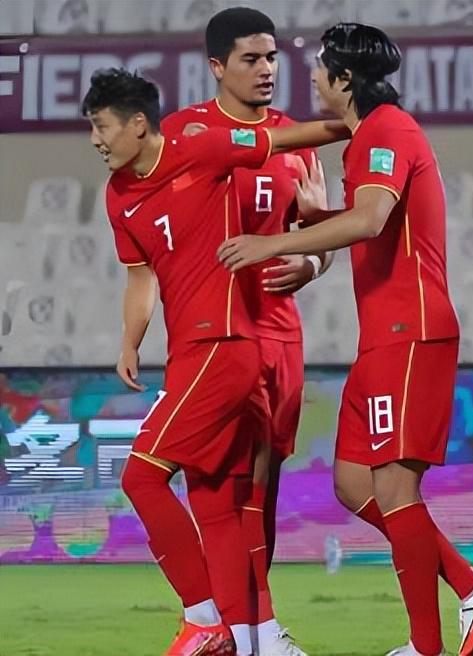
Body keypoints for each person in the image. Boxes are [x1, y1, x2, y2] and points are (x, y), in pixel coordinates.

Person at [216, 23, 473, 656]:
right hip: (382, 337)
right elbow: (374, 221)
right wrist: (317, 217)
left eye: (322, 67)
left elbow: (372, 218)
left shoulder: (387, 130)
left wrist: (274, 242)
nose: (312, 75)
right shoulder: (367, 137)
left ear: (345, 78)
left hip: (411, 332)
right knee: (354, 485)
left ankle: (426, 645)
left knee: (397, 492)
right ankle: (470, 585)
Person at [84, 67, 346, 655]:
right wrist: (130, 341)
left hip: (225, 345)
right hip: (189, 354)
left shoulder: (199, 150)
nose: (96, 140)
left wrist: (360, 122)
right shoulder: (118, 195)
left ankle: (205, 620)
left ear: (137, 123)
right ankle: (251, 640)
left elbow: (286, 138)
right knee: (219, 501)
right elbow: (140, 277)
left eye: (102, 126)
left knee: (142, 477)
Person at [161, 8, 333, 653]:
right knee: (216, 488)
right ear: (216, 66)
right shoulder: (184, 134)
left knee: (262, 491)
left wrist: (311, 262)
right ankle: (237, 628)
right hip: (211, 339)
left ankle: (255, 630)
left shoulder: (296, 140)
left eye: (271, 58)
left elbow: (320, 235)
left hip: (279, 336)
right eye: (250, 59)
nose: (266, 70)